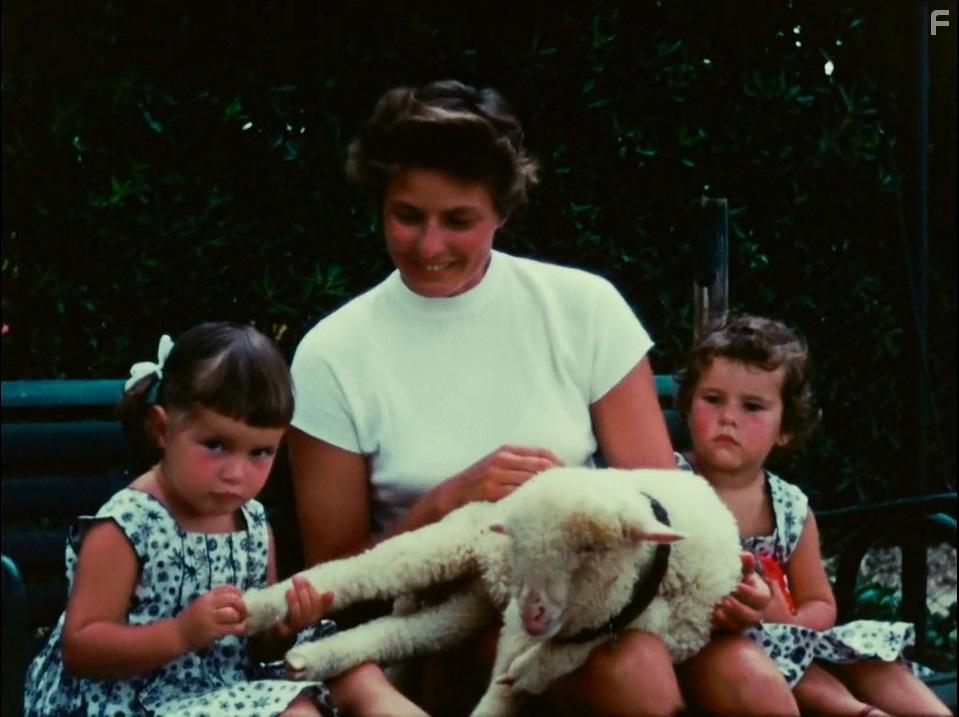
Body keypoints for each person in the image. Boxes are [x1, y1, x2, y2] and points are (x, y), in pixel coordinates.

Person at [287, 79, 795, 716]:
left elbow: (667, 508)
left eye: (459, 220)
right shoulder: (335, 353)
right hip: (446, 629)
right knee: (633, 674)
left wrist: (726, 592)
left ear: (503, 210)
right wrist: (446, 501)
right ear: (378, 205)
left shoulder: (582, 309)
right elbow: (336, 584)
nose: (430, 245)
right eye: (407, 216)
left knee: (747, 678)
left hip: (610, 600)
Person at [23, 322, 425, 717]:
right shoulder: (127, 526)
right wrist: (180, 633)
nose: (236, 473)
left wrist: (281, 628)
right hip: (128, 699)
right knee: (295, 712)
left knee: (359, 676)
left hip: (223, 688)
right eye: (216, 445)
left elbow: (254, 644)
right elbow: (82, 647)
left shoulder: (250, 522)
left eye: (260, 453)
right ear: (163, 429)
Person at [675, 314, 951, 717]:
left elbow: (820, 601)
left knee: (869, 659)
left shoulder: (790, 507)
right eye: (713, 399)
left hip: (786, 632)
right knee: (786, 662)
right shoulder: (670, 480)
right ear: (687, 406)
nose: (728, 417)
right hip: (717, 646)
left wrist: (791, 623)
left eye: (752, 406)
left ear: (785, 428)